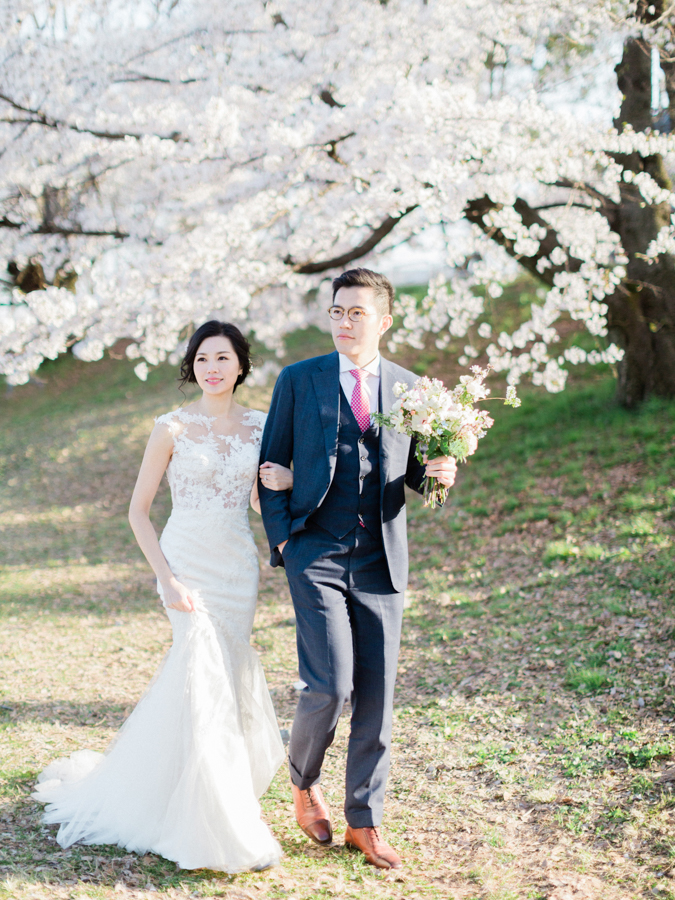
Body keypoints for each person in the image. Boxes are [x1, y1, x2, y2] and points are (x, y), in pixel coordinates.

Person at [33, 321, 293, 873]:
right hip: (185, 565)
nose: (212, 368)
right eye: (202, 359)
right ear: (192, 367)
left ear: (240, 366)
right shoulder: (171, 428)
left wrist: (281, 485)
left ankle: (209, 791)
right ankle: (213, 821)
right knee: (199, 671)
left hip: (235, 568)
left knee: (225, 673)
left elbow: (252, 502)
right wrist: (167, 578)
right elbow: (138, 510)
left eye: (222, 358)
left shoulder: (261, 426)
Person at [258, 268, 457, 869]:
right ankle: (302, 780)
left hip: (380, 558)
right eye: (338, 312)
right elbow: (269, 467)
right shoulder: (299, 380)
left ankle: (363, 822)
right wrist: (285, 542)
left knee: (378, 695)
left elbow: (416, 473)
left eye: (357, 313)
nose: (345, 322)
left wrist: (440, 476)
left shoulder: (412, 389)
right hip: (315, 551)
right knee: (331, 685)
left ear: (384, 321)